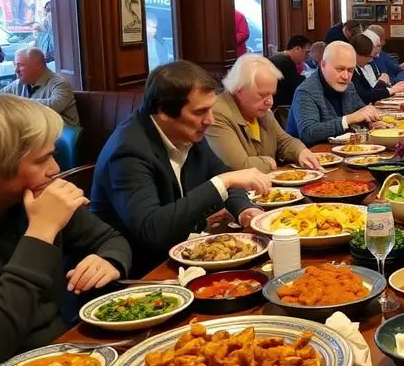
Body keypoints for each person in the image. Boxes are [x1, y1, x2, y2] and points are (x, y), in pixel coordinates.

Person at [0, 94, 130, 366]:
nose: (55, 169)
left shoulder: (39, 190)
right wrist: (41, 232)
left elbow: (111, 239)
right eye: (42, 159)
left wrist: (109, 259)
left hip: (67, 350)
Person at [90, 60, 271, 276]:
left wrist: (244, 210)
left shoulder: (186, 130)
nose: (210, 120)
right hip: (142, 272)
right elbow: (152, 231)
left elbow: (220, 172)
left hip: (185, 255)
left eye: (211, 109)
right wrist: (224, 182)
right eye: (200, 112)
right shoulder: (128, 151)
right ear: (163, 111)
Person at [206, 54, 320, 173]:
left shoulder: (260, 109)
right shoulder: (217, 114)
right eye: (263, 95)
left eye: (272, 94)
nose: (270, 102)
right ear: (239, 91)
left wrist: (301, 152)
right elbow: (238, 167)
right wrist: (270, 162)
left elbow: (285, 141)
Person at [286, 41, 385, 145]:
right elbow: (308, 133)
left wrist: (371, 122)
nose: (346, 76)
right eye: (340, 69)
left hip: (342, 150)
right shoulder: (306, 91)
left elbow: (360, 111)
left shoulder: (348, 86)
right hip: (312, 155)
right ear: (323, 64)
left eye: (350, 70)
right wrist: (348, 119)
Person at [0, 47, 80, 127]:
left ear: (37, 65)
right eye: (15, 65)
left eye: (21, 65)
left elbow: (55, 105)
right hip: (35, 134)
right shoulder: (18, 84)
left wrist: (20, 103)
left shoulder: (60, 83)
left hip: (62, 136)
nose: (16, 70)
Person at [351, 33, 404, 104]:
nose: (370, 60)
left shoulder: (358, 68)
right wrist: (387, 87)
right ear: (356, 53)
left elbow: (370, 91)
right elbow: (366, 97)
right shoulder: (352, 70)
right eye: (368, 57)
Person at [268, 35, 309, 107]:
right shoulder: (286, 62)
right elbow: (295, 87)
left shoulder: (277, 57)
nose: (307, 57)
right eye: (306, 53)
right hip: (279, 107)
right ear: (297, 48)